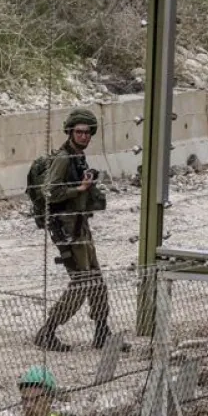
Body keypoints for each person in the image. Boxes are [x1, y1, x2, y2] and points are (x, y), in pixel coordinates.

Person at [34, 108, 121, 353]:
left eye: (87, 133)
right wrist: (79, 190)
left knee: (96, 279)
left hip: (80, 226)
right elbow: (48, 192)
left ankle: (102, 330)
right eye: (79, 132)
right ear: (71, 132)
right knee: (82, 282)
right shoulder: (63, 158)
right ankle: (47, 331)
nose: (84, 136)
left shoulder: (78, 157)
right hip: (68, 229)